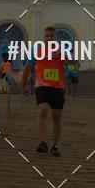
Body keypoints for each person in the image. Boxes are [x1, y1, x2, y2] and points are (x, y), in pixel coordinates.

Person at [21, 25, 65, 156]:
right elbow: (28, 66)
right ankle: (42, 142)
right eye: (47, 36)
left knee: (56, 116)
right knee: (43, 110)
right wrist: (23, 84)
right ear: (43, 37)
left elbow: (74, 64)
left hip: (57, 87)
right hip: (41, 85)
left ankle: (55, 146)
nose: (49, 38)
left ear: (55, 37)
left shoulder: (62, 50)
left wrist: (66, 57)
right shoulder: (36, 49)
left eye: (51, 36)